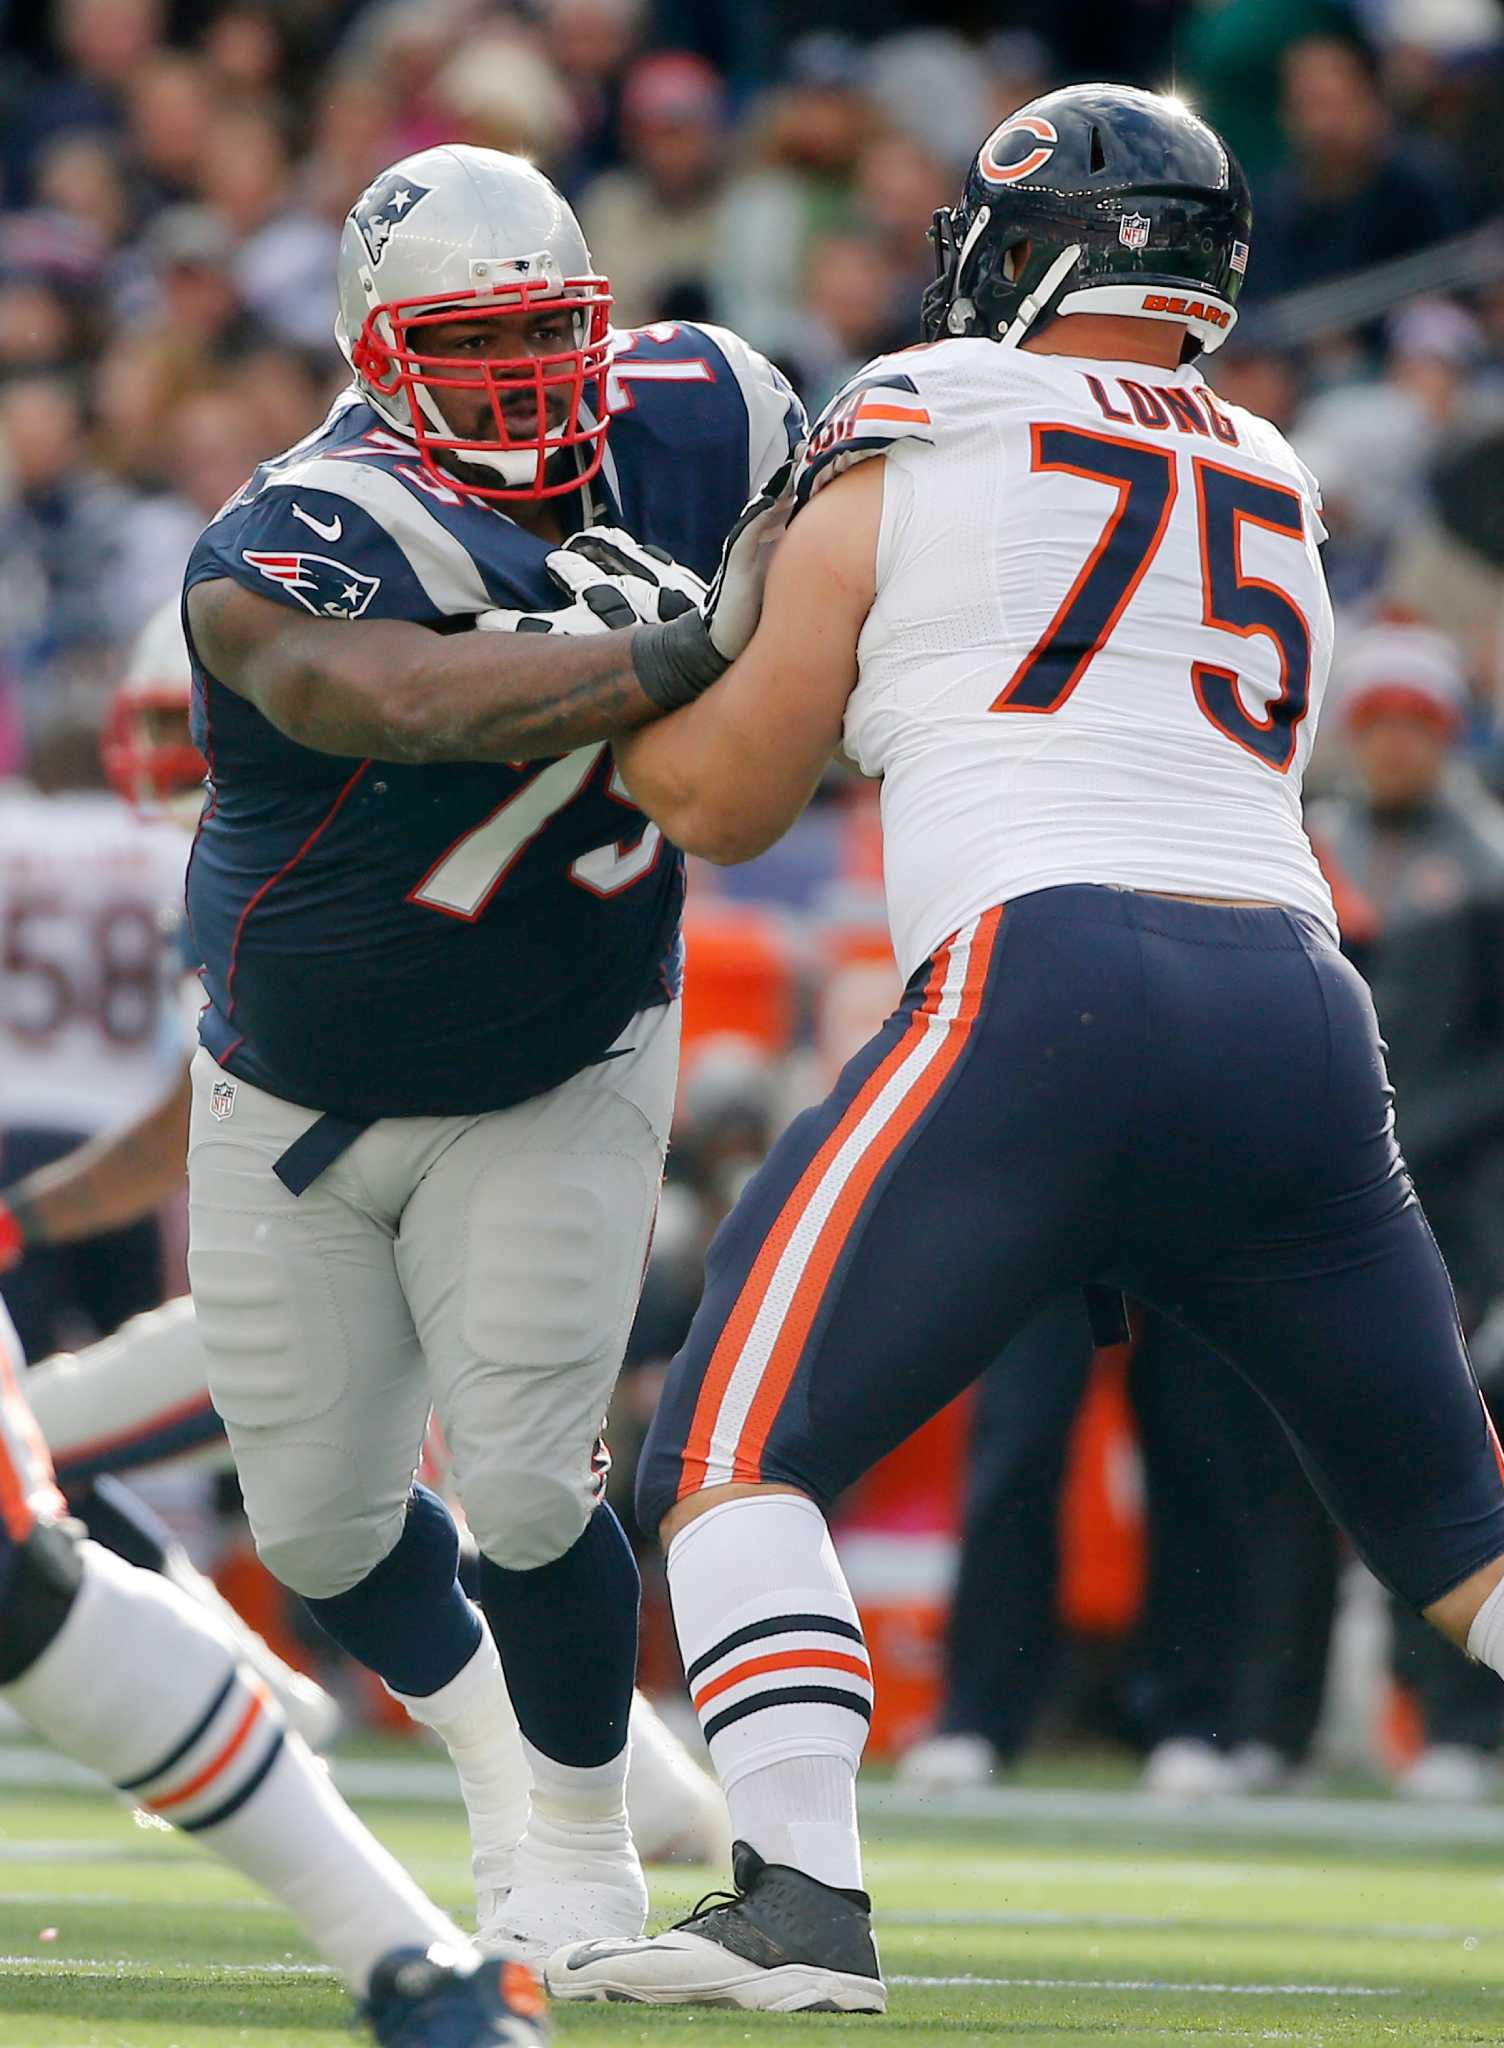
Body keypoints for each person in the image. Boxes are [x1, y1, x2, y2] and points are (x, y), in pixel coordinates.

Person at [535, 83, 1504, 2012]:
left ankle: (799, 1903)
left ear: (1023, 243)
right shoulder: (1274, 470)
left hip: (1047, 977)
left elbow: (725, 799)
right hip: (1297, 1009)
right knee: (1464, 1540)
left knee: (730, 1448)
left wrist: (608, 677)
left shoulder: (917, 413)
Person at [178, 144, 801, 1955]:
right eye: (474, 341)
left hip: (562, 1041)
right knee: (313, 1529)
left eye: (551, 332)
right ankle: (490, 1759)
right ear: (378, 350)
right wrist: (696, 642)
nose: (526, 375)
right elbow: (397, 698)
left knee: (530, 1476)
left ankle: (582, 1837)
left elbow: (844, 536)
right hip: (290, 1076)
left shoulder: (699, 407)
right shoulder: (286, 539)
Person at [2, 600, 732, 1854]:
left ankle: (286, 1707)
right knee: (448, 1515)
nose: (175, 752)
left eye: (196, 721)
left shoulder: (318, 864)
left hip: (399, 1229)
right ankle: (639, 1793)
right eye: (165, 722)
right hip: (363, 1238)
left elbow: (206, 1103)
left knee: (484, 1511)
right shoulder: (293, 838)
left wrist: (31, 1212)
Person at [0, 1295, 547, 2047]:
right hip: (287, 1287)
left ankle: (415, 1940)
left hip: (316, 1305)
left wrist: (28, 1217)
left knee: (23, 1575)